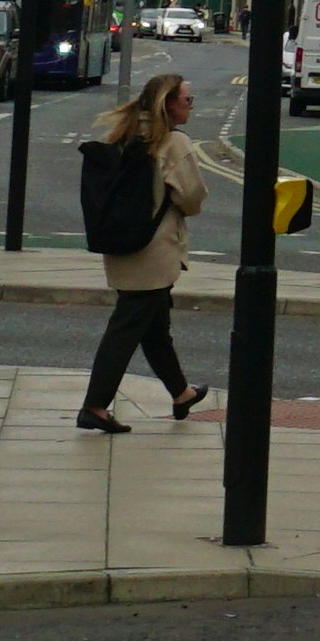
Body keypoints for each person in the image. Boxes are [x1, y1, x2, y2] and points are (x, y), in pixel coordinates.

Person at [73, 69, 217, 434]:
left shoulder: (125, 133)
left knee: (154, 328)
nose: (191, 106)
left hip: (123, 243)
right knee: (125, 328)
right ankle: (94, 406)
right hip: (153, 251)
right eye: (187, 99)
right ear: (168, 104)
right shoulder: (173, 142)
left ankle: (181, 394)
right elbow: (192, 197)